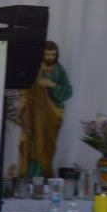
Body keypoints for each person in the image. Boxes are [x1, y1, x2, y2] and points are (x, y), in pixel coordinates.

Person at [16, 42, 72, 179]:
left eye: (53, 55)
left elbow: (68, 91)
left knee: (47, 147)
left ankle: (44, 174)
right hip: (33, 116)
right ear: (41, 54)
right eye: (47, 54)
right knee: (32, 144)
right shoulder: (33, 69)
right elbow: (23, 87)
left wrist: (51, 84)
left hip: (52, 115)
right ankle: (30, 176)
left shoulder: (59, 70)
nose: (50, 57)